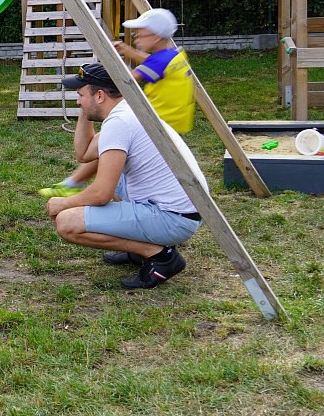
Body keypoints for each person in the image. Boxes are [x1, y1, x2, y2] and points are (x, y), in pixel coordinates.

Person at [45, 63, 205, 290]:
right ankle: (136, 249)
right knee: (117, 176)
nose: (78, 101)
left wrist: (64, 202)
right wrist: (86, 110)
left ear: (100, 95)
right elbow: (85, 153)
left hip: (174, 220)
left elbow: (102, 193)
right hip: (181, 211)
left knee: (67, 222)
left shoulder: (119, 123)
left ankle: (160, 256)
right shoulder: (127, 111)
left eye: (80, 95)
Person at [39, 7, 195, 197]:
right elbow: (151, 61)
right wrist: (127, 50)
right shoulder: (173, 55)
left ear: (155, 37)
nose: (136, 38)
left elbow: (124, 81)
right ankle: (77, 183)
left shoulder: (158, 62)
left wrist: (107, 67)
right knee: (111, 150)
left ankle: (73, 183)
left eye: (140, 34)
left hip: (154, 124)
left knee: (107, 146)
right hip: (174, 122)